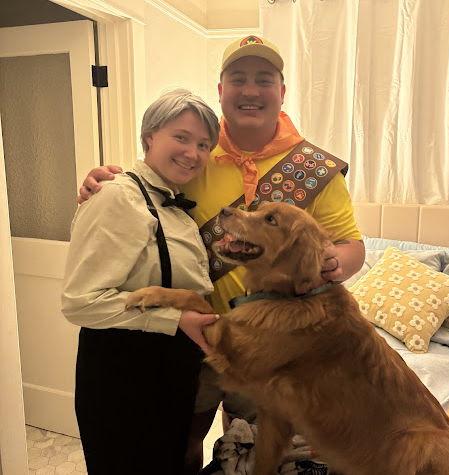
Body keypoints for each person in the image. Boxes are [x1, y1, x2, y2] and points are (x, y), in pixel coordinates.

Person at [78, 36, 365, 474]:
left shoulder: (316, 169)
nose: (250, 90)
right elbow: (142, 194)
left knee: (246, 437)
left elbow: (352, 244)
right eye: (238, 79)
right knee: (182, 440)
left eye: (263, 80)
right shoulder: (195, 153)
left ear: (282, 91)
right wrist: (102, 181)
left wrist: (335, 262)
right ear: (220, 89)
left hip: (270, 342)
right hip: (187, 333)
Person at [62, 89, 221, 475]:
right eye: (181, 137)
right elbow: (80, 302)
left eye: (204, 144)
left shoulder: (173, 200)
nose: (193, 153)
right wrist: (175, 319)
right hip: (124, 375)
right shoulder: (118, 196)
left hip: (171, 370)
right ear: (150, 136)